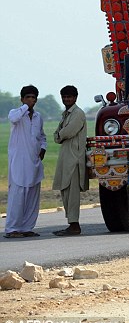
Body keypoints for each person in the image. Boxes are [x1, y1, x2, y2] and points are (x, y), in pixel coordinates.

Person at [4, 85, 46, 239]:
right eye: (28, 97)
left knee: (32, 197)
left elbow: (42, 136)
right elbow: (13, 118)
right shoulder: (16, 114)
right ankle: (12, 228)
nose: (31, 100)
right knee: (18, 196)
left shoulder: (38, 117)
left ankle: (27, 227)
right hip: (19, 163)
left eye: (33, 97)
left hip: (34, 162)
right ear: (22, 99)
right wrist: (25, 107)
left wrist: (43, 148)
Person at [52, 85, 88, 236]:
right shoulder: (66, 114)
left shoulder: (77, 113)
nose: (67, 99)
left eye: (69, 97)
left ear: (75, 98)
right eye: (64, 97)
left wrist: (59, 135)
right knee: (65, 191)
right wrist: (59, 135)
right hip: (66, 157)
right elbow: (56, 135)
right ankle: (71, 223)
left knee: (72, 193)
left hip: (74, 158)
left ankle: (74, 225)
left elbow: (66, 132)